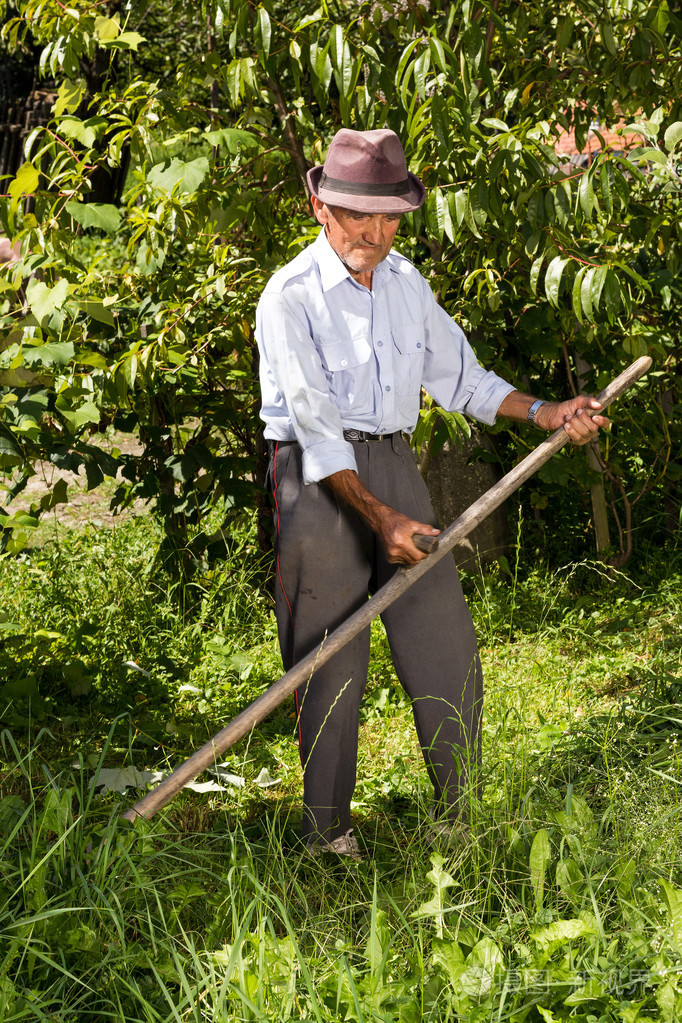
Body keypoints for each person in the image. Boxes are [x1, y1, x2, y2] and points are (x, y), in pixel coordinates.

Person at [255, 128, 607, 859]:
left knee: (443, 638)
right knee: (330, 660)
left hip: (391, 467)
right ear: (321, 206)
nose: (376, 234)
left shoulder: (406, 282)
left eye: (389, 217)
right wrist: (380, 518)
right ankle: (328, 838)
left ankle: (461, 812)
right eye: (360, 215)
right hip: (318, 487)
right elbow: (319, 434)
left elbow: (463, 379)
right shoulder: (290, 297)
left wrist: (546, 411)